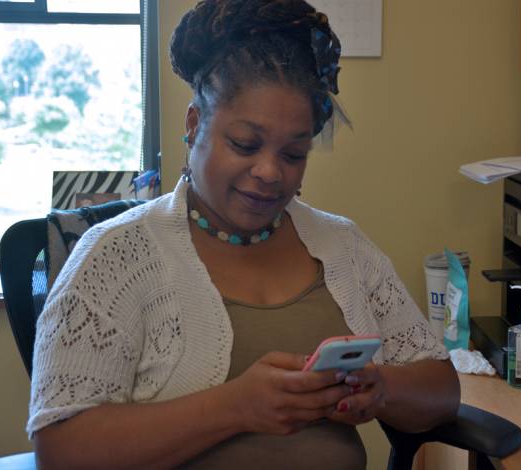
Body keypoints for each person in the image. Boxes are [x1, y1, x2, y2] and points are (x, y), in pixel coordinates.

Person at [28, 1, 460, 468]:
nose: (270, 172)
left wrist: (382, 389)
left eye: (293, 154)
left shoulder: (344, 247)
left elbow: (441, 387)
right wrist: (236, 408)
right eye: (245, 145)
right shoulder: (115, 256)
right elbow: (61, 448)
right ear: (194, 125)